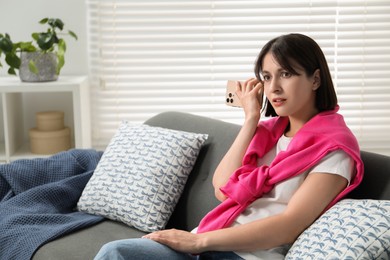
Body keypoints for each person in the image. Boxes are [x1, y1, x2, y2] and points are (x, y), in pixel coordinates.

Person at [94, 33, 364, 260]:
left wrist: (199, 242)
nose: (275, 88)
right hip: (206, 240)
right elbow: (223, 189)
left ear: (315, 79)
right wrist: (250, 120)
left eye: (286, 74)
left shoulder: (335, 148)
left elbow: (289, 226)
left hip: (246, 254)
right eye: (267, 77)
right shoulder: (266, 134)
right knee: (115, 252)